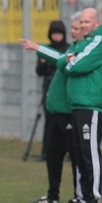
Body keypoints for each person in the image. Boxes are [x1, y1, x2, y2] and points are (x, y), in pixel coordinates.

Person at [20, 14, 82, 203]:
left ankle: (80, 196)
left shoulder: (80, 51)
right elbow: (43, 69)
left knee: (76, 155)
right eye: (71, 28)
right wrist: (41, 53)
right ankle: (52, 195)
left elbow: (62, 60)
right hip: (54, 109)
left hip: (69, 111)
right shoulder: (70, 49)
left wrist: (38, 48)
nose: (72, 31)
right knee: (53, 154)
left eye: (76, 28)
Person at [58, 7, 102, 203]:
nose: (83, 25)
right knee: (78, 151)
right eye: (81, 22)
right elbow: (63, 61)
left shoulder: (99, 42)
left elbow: (76, 66)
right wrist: (69, 61)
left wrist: (71, 62)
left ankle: (93, 199)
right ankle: (82, 197)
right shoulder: (85, 42)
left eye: (87, 22)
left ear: (96, 23)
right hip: (78, 103)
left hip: (90, 104)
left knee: (89, 152)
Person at [36, 20, 69, 161]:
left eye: (59, 33)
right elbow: (39, 71)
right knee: (49, 121)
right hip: (49, 87)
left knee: (66, 122)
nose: (56, 36)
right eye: (54, 33)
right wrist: (44, 64)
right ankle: (47, 151)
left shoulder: (69, 49)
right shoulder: (46, 50)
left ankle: (68, 151)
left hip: (64, 89)